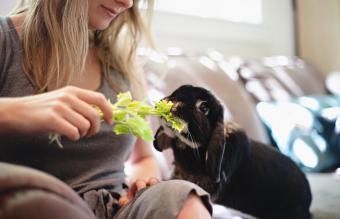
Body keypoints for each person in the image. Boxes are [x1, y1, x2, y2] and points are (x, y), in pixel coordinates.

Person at [0, 0, 212, 218]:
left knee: (184, 198)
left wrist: (141, 184)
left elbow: (142, 158)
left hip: (117, 208)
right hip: (41, 205)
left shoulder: (122, 64)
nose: (127, 3)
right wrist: (16, 111)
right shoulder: (5, 40)